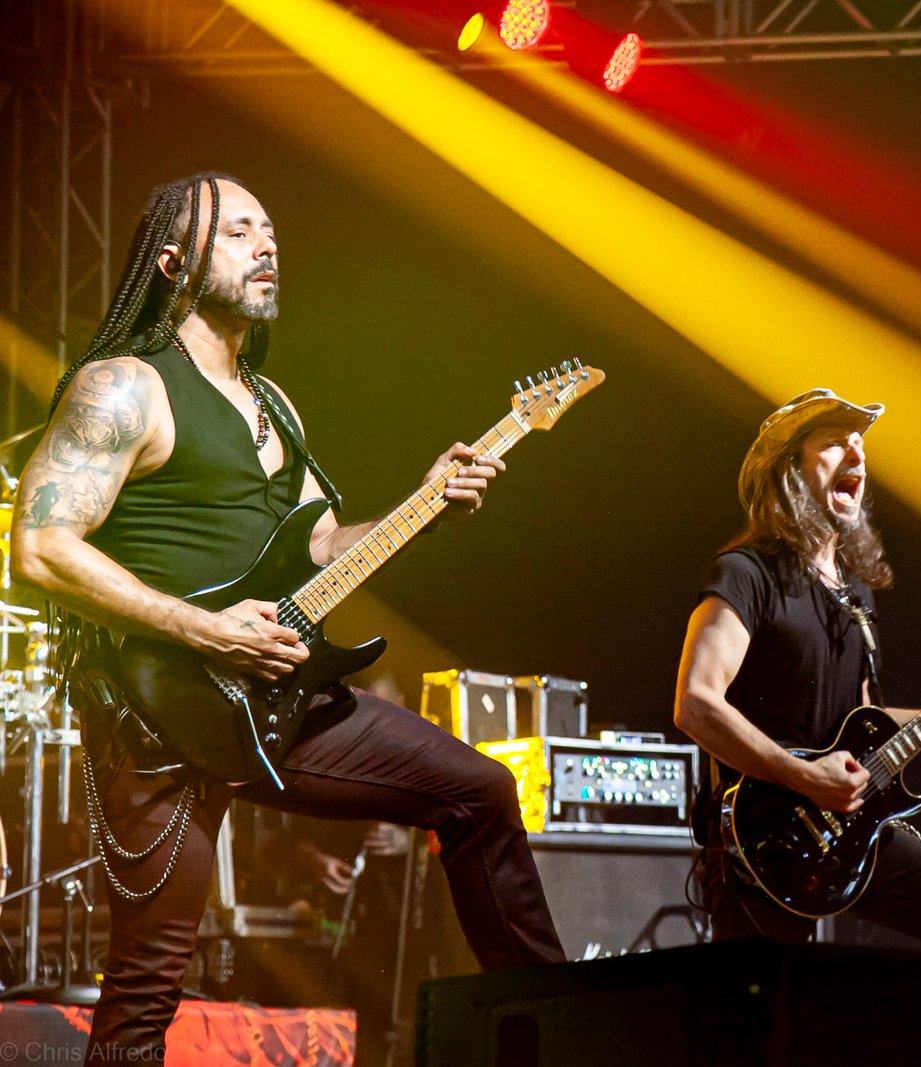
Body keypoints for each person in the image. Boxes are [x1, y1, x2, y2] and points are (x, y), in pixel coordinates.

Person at [9, 173, 565, 1056]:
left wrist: (423, 505)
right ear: (173, 263)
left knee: (483, 793)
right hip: (157, 717)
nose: (265, 244)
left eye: (268, 229)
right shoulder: (126, 387)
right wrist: (204, 628)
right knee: (147, 984)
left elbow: (321, 547)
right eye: (236, 232)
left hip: (274, 698)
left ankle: (554, 1034)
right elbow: (41, 548)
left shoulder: (275, 406)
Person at [673, 388, 921, 954]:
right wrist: (803, 777)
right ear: (788, 473)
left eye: (860, 446)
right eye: (834, 444)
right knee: (765, 1001)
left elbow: (862, 719)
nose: (858, 455)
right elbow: (695, 704)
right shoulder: (745, 574)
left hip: (843, 830)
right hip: (762, 838)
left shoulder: (853, 593)